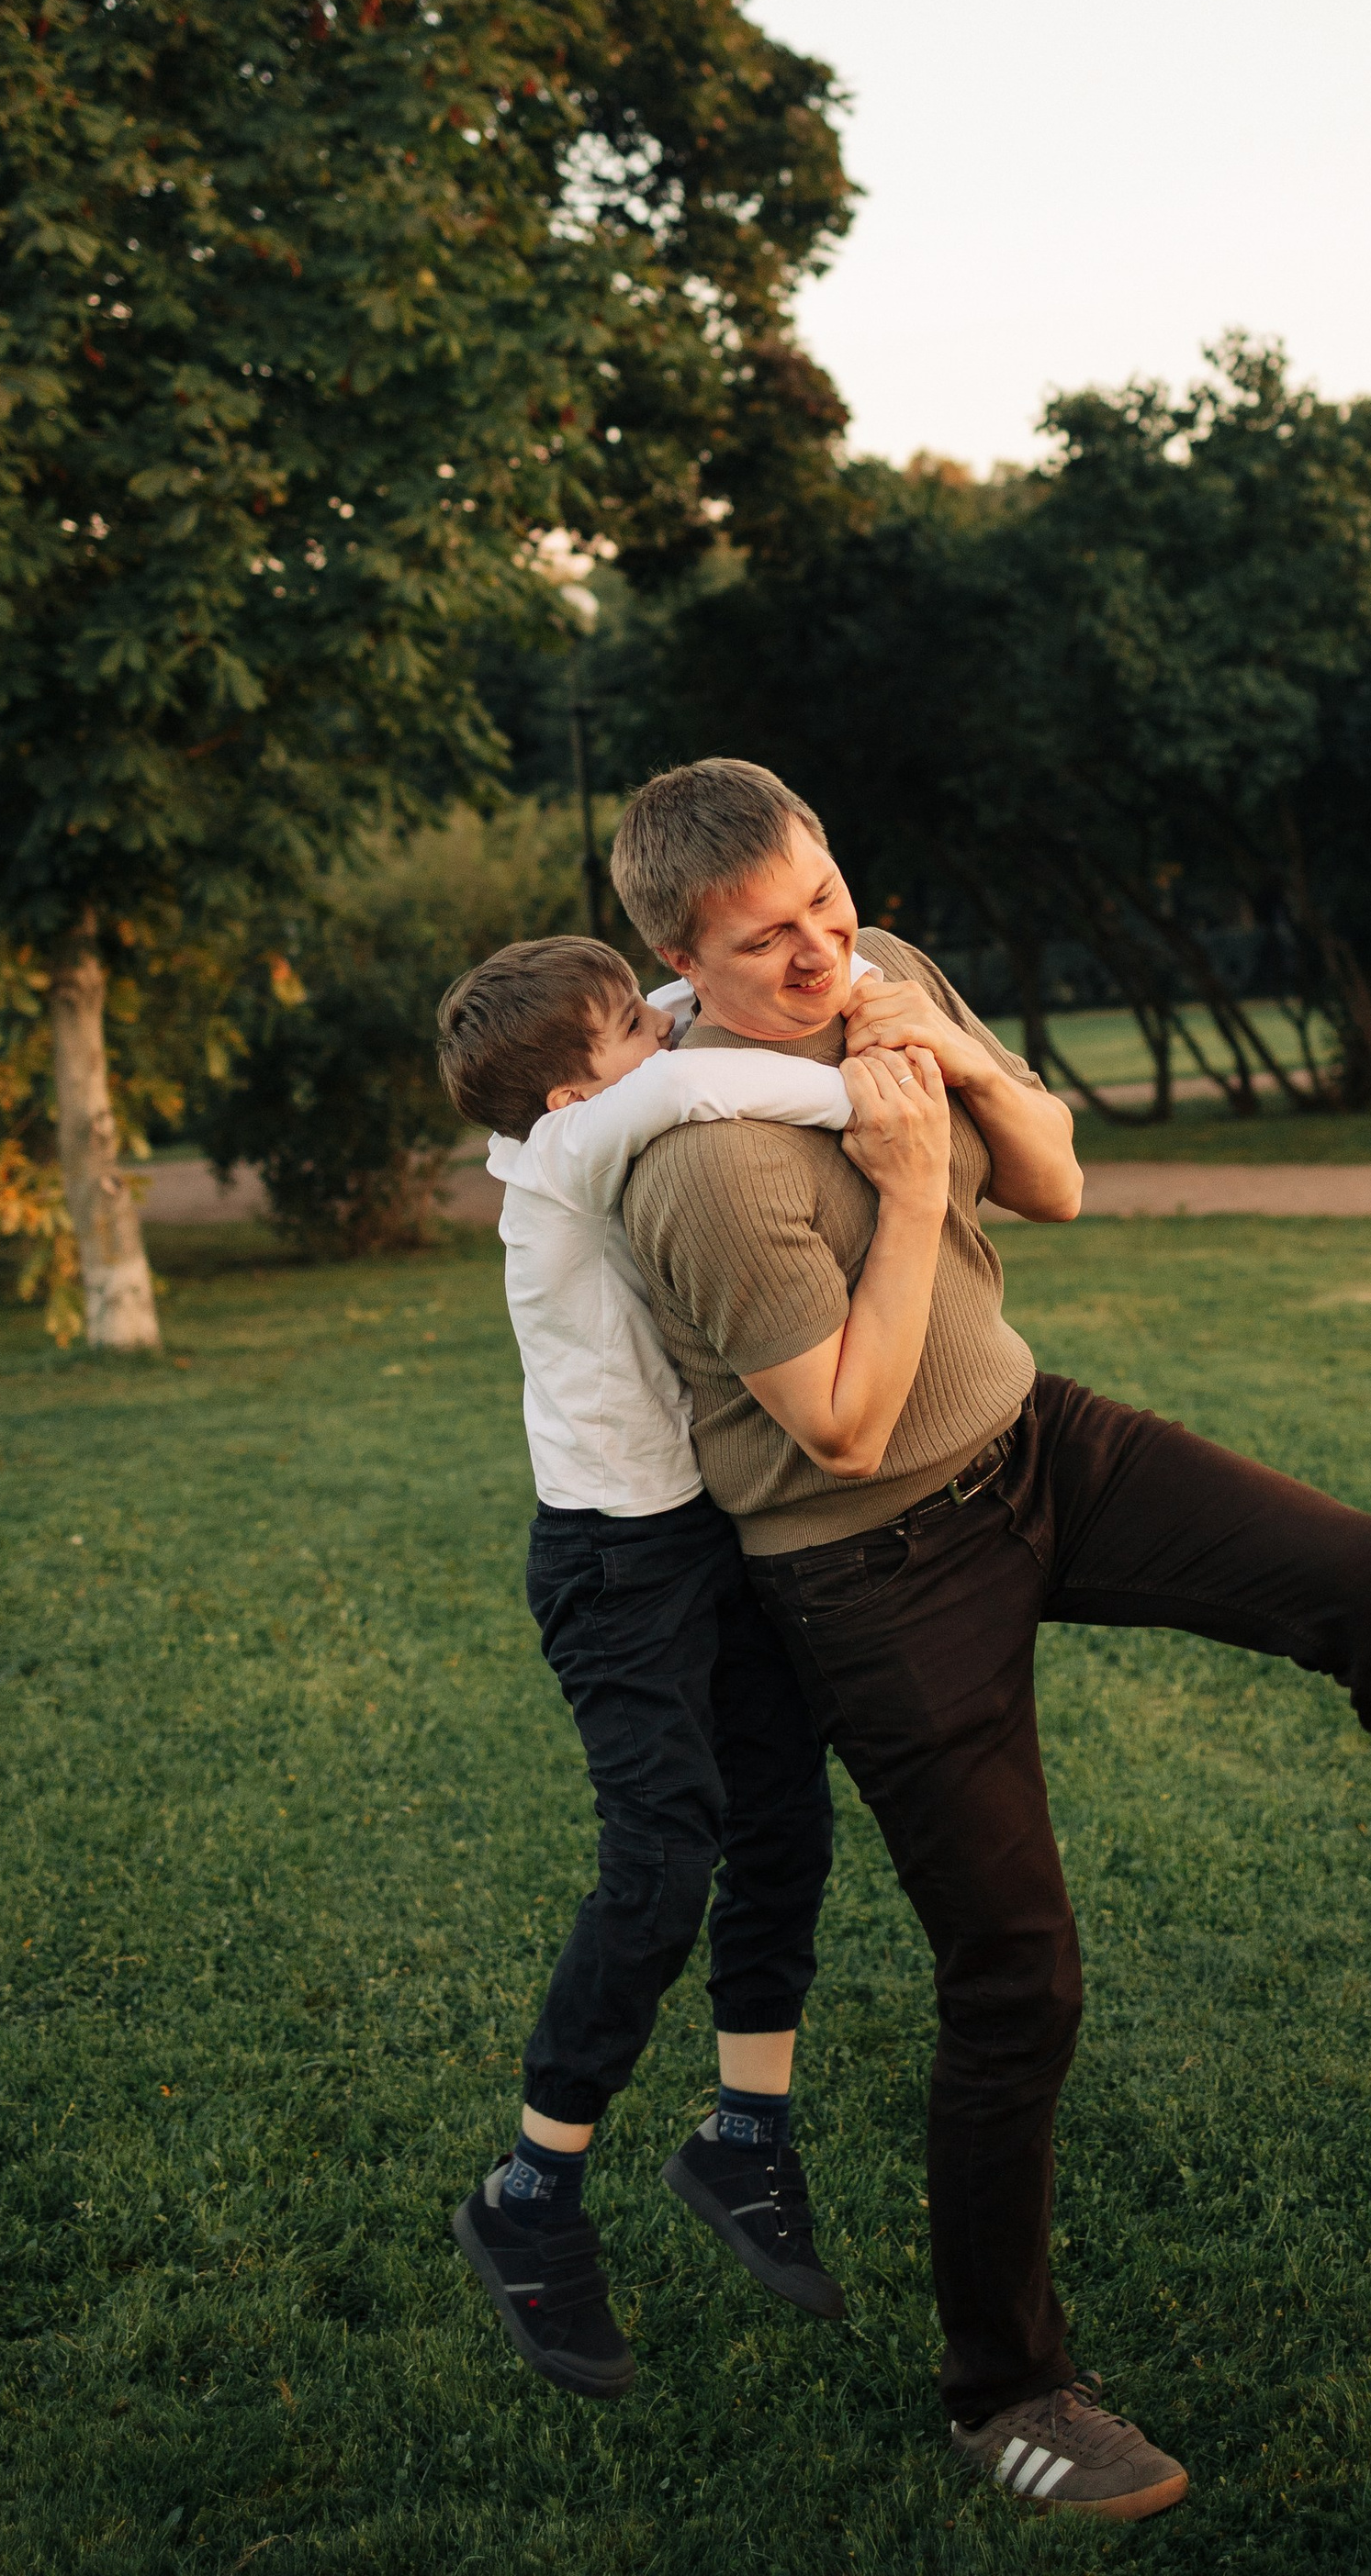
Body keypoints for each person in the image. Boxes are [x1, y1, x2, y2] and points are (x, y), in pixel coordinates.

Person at [610, 757, 1371, 2525]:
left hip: (1039, 1445)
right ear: (678, 957)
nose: (821, 953)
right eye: (768, 942)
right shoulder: (703, 1166)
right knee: (1015, 1978)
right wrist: (892, 1160)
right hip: (872, 1563)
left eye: (827, 902)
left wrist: (947, 1065)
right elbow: (849, 1427)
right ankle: (1007, 2395)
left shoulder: (891, 981)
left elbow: (1059, 1180)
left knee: (1367, 1575)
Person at [431, 930, 944, 2399]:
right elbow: (688, 1083)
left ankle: (745, 2144)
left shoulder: (586, 1087)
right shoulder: (582, 1142)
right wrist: (894, 1099)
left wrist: (755, 962)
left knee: (784, 1818)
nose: (657, 1038)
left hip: (696, 1536)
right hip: (614, 1571)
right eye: (630, 1036)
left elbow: (661, 1015)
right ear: (564, 1093)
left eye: (646, 1021)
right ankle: (528, 2203)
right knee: (662, 1864)